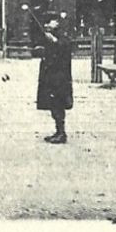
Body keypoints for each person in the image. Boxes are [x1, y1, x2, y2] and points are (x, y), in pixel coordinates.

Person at [35, 10, 74, 144]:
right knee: (53, 104)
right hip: (50, 76)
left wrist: (55, 41)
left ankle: (61, 133)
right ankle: (58, 131)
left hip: (59, 77)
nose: (49, 24)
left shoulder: (61, 34)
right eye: (48, 21)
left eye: (51, 21)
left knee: (58, 103)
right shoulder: (48, 34)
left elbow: (66, 46)